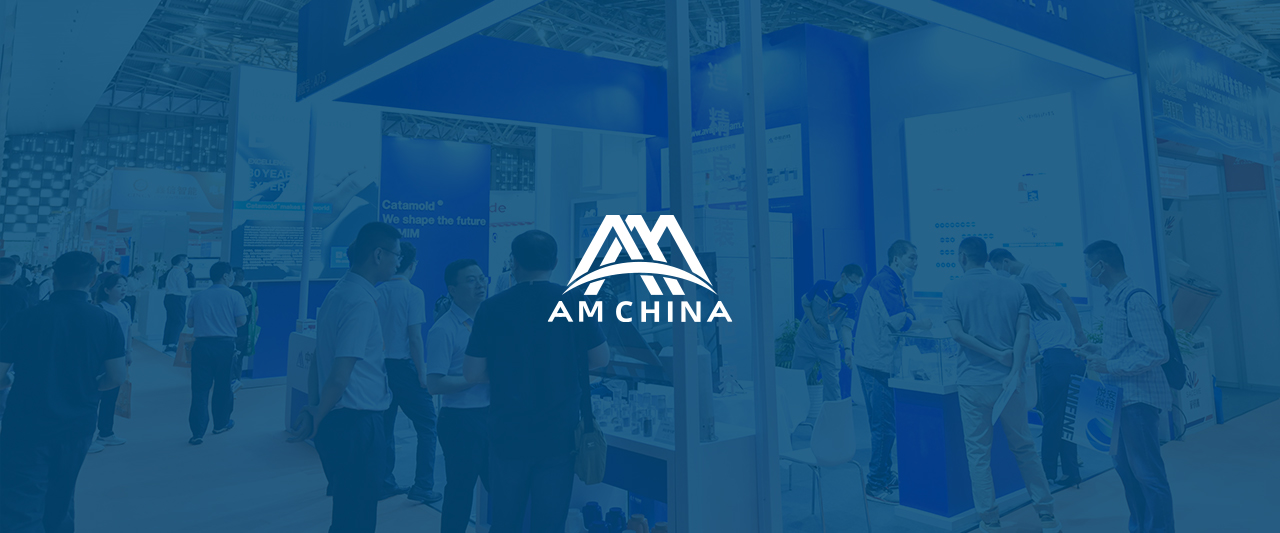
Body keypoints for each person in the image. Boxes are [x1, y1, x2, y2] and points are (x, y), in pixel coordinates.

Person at [464, 230, 610, 532]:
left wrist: (509, 372)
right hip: (558, 433)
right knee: (549, 523)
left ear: (514, 263)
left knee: (505, 522)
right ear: (554, 262)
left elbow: (472, 373)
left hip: (507, 432)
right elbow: (600, 358)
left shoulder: (492, 307)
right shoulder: (574, 300)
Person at [0, 251, 127, 532]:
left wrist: (12, 381)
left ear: (54, 277)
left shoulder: (25, 318)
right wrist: (89, 387)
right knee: (62, 493)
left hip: (24, 421)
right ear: (93, 281)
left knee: (20, 499)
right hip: (77, 422)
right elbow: (117, 376)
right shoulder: (106, 321)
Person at [942, 237, 1059, 533]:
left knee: (978, 454)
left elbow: (957, 334)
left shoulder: (953, 289)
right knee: (1025, 448)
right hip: (1010, 383)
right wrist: (1014, 368)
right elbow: (1024, 333)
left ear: (962, 257)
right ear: (985, 257)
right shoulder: (1014, 287)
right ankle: (1047, 516)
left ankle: (990, 521)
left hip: (973, 383)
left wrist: (994, 354)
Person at [300, 222, 401, 533]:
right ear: (378, 255)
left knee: (347, 512)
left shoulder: (339, 292)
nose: (398, 262)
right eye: (396, 255)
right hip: (357, 425)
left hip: (342, 421)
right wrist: (319, 415)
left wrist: (316, 409)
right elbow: (340, 375)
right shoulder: (359, 301)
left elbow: (318, 360)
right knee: (358, 516)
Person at [1075, 240, 1175, 533]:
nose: (1086, 272)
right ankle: (1141, 527)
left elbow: (1156, 352)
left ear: (1101, 266)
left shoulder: (1135, 299)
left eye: (1087, 266)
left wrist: (1110, 365)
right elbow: (1130, 347)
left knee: (1148, 475)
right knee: (1127, 473)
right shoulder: (1114, 300)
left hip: (1137, 401)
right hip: (1115, 400)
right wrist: (1099, 351)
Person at [850, 240, 931, 504]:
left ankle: (884, 474)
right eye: (911, 257)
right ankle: (875, 484)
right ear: (896, 259)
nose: (915, 263)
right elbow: (899, 320)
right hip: (877, 364)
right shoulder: (886, 282)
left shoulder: (894, 282)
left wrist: (910, 317)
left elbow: (905, 311)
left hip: (878, 361)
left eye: (916, 258)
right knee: (883, 427)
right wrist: (921, 324)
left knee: (884, 424)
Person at [427, 258, 490, 533]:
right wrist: (477, 378)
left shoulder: (488, 322)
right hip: (460, 421)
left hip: (492, 416)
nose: (480, 284)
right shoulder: (443, 329)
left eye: (481, 278)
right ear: (452, 290)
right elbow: (435, 384)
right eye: (471, 280)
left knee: (502, 487)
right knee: (460, 492)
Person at [376, 242, 441, 504]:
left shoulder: (377, 292)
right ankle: (423, 486)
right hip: (404, 367)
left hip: (380, 367)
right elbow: (414, 338)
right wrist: (422, 374)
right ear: (412, 265)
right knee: (428, 426)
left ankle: (383, 482)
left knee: (385, 426)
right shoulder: (413, 293)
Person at [1023, 283, 1086, 487]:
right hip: (1076, 361)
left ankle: (1047, 473)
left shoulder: (1029, 317)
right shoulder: (1054, 312)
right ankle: (1071, 472)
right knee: (1068, 420)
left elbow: (1033, 351)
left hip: (1055, 363)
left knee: (1051, 420)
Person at [185, 261, 248, 445]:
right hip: (225, 346)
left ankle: (197, 432)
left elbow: (190, 323)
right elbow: (242, 321)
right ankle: (220, 424)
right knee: (223, 386)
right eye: (231, 274)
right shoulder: (234, 295)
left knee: (199, 389)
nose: (232, 277)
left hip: (201, 346)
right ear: (225, 276)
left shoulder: (198, 296)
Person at [988, 249, 1088, 348]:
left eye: (997, 269)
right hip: (1033, 334)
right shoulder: (1017, 281)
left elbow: (1065, 299)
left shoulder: (1037, 273)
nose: (998, 273)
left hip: (1049, 333)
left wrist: (1079, 332)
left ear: (1006, 261)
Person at [793, 263, 862, 402]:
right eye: (853, 282)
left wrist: (848, 351)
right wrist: (814, 324)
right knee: (796, 381)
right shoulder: (821, 285)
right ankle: (794, 413)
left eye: (858, 284)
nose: (854, 286)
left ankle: (833, 415)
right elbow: (805, 303)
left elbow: (846, 328)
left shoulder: (852, 302)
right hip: (807, 340)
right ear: (843, 276)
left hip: (829, 346)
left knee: (832, 385)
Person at [89, 273, 134, 454]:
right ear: (107, 290)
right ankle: (88, 436)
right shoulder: (99, 308)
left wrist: (128, 351)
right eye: (119, 286)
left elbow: (128, 329)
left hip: (119, 356)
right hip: (102, 358)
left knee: (111, 397)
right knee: (94, 397)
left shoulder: (126, 306)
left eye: (124, 286)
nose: (123, 289)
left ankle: (106, 433)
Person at [0, 257, 30, 425]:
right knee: (4, 378)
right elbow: (26, 319)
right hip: (10, 344)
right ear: (13, 274)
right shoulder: (21, 294)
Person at [228, 267, 258, 391]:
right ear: (243, 278)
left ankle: (229, 382)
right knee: (239, 358)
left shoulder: (228, 292)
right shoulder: (251, 292)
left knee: (228, 358)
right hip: (245, 331)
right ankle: (237, 381)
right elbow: (255, 312)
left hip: (229, 330)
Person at [163, 254, 191, 353]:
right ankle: (172, 344)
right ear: (181, 262)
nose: (187, 263)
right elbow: (182, 288)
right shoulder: (180, 272)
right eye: (186, 261)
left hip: (169, 298)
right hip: (177, 298)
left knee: (171, 321)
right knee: (179, 321)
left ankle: (168, 343)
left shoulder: (172, 271)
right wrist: (189, 294)